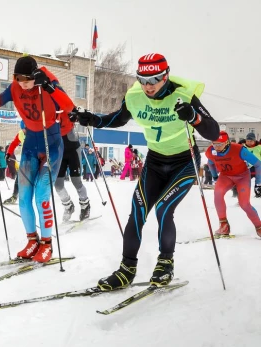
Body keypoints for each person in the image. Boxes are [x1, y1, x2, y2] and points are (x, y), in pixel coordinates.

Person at [76, 53, 220, 288]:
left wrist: (193, 117)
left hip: (184, 162)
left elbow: (213, 132)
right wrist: (92, 119)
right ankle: (126, 270)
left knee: (163, 209)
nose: (147, 86)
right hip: (154, 162)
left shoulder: (183, 95)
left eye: (154, 80)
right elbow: (118, 119)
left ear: (166, 76)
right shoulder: (135, 96)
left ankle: (165, 264)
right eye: (142, 80)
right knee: (138, 211)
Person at [0, 55, 74, 263]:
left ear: (35, 75)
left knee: (41, 195)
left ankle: (47, 244)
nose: (23, 84)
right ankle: (32, 240)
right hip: (30, 144)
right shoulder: (15, 87)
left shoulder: (47, 81)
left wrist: (49, 87)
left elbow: (68, 107)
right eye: (19, 79)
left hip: (52, 144)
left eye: (27, 80)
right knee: (23, 197)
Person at [206, 131, 261, 238]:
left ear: (227, 142)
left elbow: (258, 164)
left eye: (220, 144)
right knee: (218, 193)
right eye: (214, 144)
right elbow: (210, 163)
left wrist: (258, 183)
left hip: (242, 176)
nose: (217, 147)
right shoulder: (211, 151)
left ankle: (259, 226)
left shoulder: (239, 149)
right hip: (225, 176)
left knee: (244, 204)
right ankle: (224, 225)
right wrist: (215, 177)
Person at [3, 121, 26, 204]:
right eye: (23, 129)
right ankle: (14, 196)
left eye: (26, 129)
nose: (24, 131)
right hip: (25, 159)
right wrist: (8, 153)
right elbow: (13, 144)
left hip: (37, 158)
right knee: (19, 177)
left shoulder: (35, 133)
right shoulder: (21, 133)